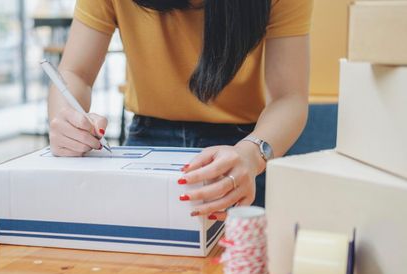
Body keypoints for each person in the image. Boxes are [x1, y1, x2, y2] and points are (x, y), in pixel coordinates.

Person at [48, 0, 313, 220]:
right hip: (147, 141)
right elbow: (75, 73)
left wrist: (252, 155)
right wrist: (67, 120)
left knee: (239, 273)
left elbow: (288, 97)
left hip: (242, 151)